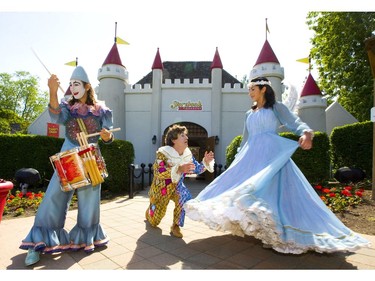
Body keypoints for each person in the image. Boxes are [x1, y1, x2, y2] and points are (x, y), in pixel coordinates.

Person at [184, 77, 371, 254]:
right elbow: (246, 139)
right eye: (249, 89)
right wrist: (238, 159)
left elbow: (294, 122)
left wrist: (306, 133)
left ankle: (284, 234)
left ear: (263, 89)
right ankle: (267, 233)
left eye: (252, 89)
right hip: (251, 157)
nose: (250, 92)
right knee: (248, 192)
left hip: (272, 156)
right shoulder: (249, 113)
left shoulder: (276, 108)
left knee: (275, 194)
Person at [20, 66, 115, 266]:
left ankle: (87, 238)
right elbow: (55, 113)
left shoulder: (102, 110)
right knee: (54, 196)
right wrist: (52, 91)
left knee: (90, 201)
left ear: (87, 86)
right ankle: (38, 243)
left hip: (90, 158)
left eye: (77, 84)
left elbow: (109, 136)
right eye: (71, 84)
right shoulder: (67, 107)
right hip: (68, 157)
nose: (73, 87)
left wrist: (107, 135)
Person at [145, 124, 215, 238]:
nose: (186, 138)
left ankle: (176, 225)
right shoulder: (163, 153)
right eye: (182, 135)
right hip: (162, 188)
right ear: (173, 140)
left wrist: (205, 162)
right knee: (155, 221)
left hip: (177, 186)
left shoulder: (187, 155)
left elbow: (196, 168)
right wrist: (178, 169)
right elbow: (159, 171)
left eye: (186, 135)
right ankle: (150, 212)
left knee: (184, 197)